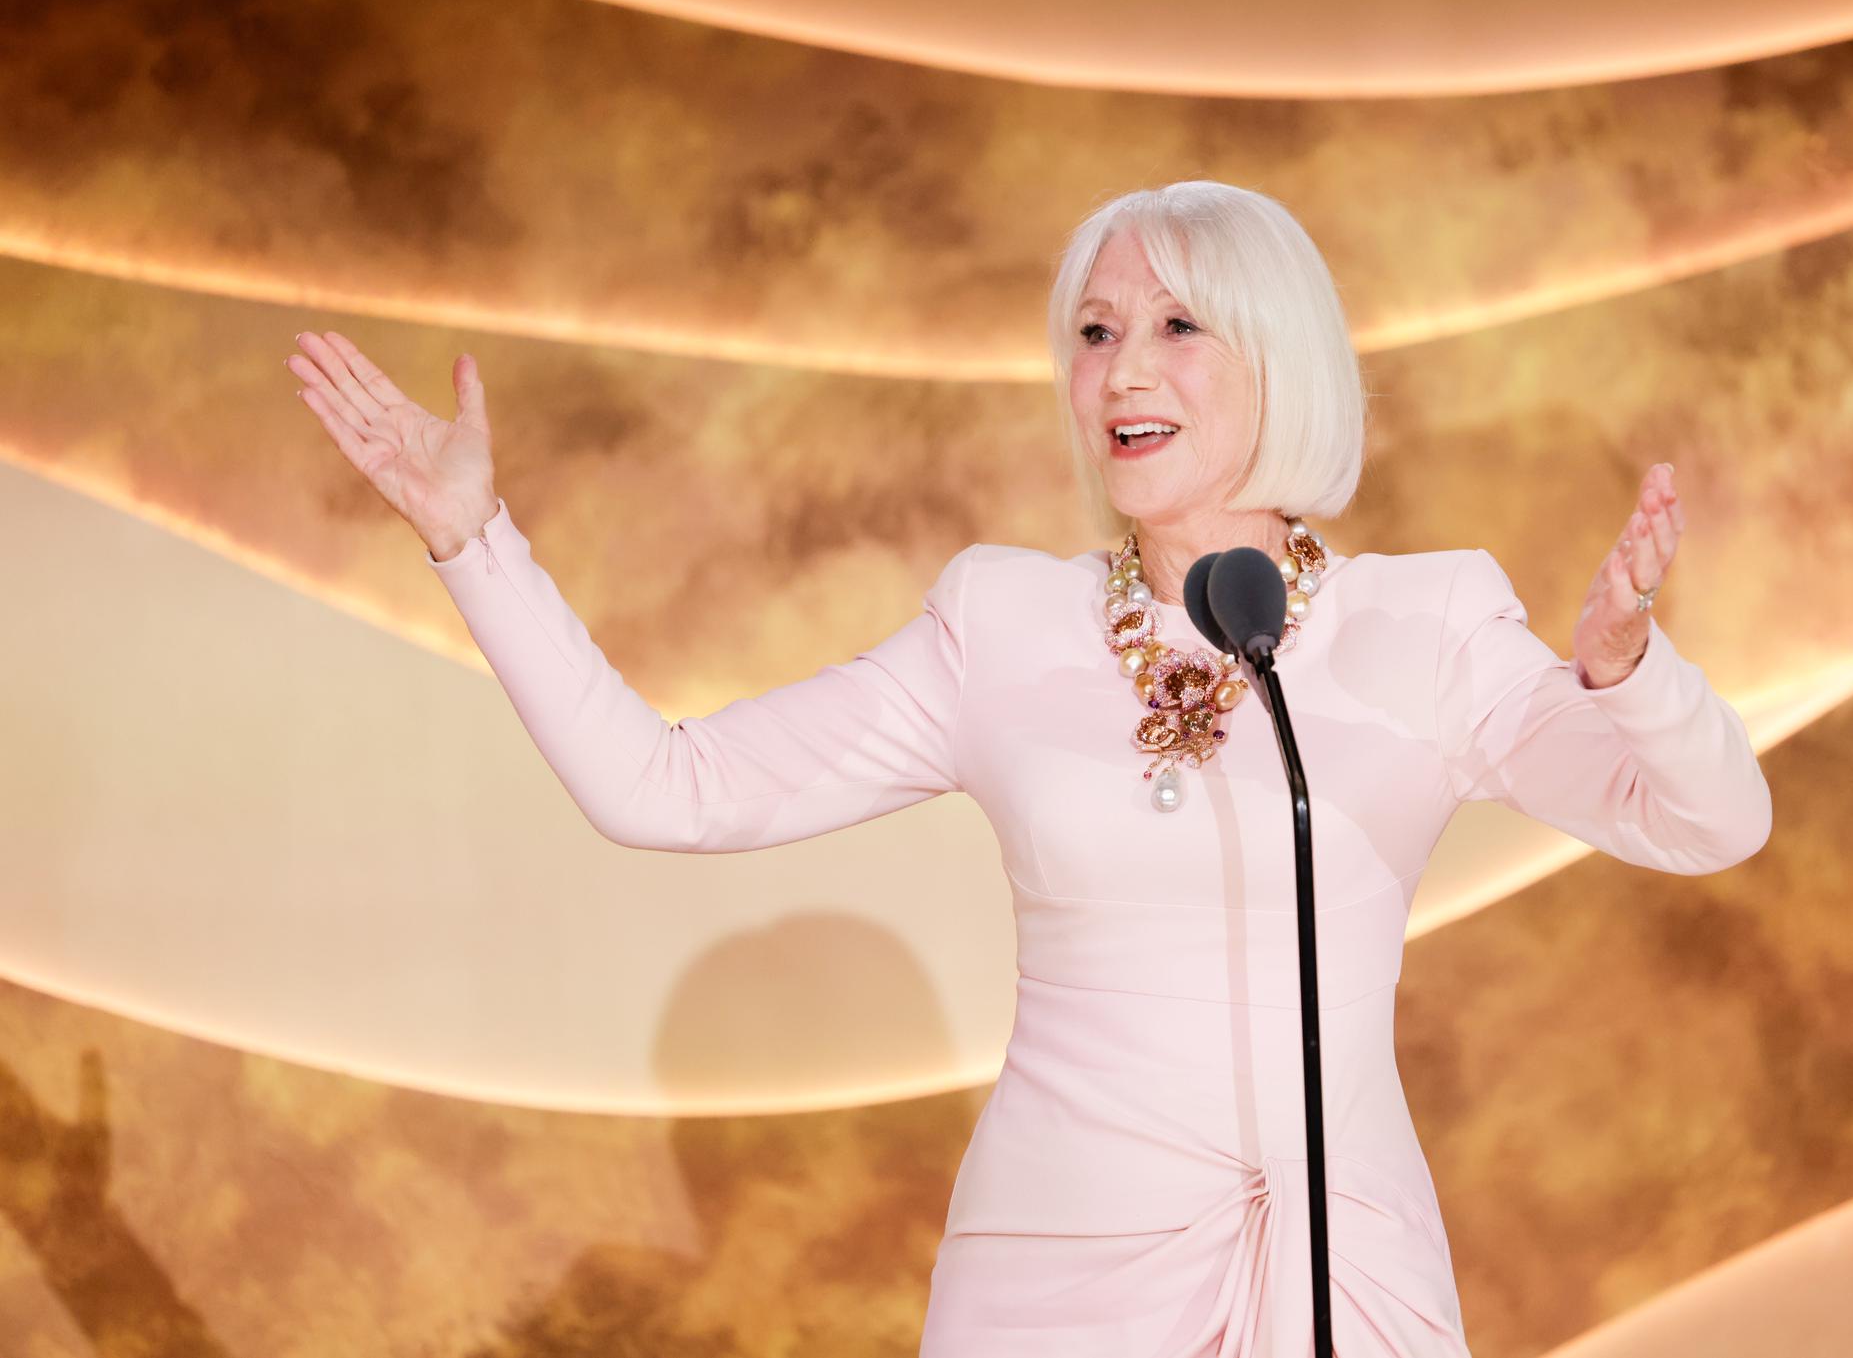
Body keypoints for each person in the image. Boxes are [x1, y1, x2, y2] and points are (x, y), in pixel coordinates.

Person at [287, 178, 1772, 1355]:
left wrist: (1629, 672)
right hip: (1060, 1293)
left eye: (1178, 326)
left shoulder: (1422, 626)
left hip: (1336, 1283)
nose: (1124, 368)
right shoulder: (1002, 626)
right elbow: (662, 786)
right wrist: (474, 541)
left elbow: (1711, 820)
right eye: (1095, 332)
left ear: (1282, 359)